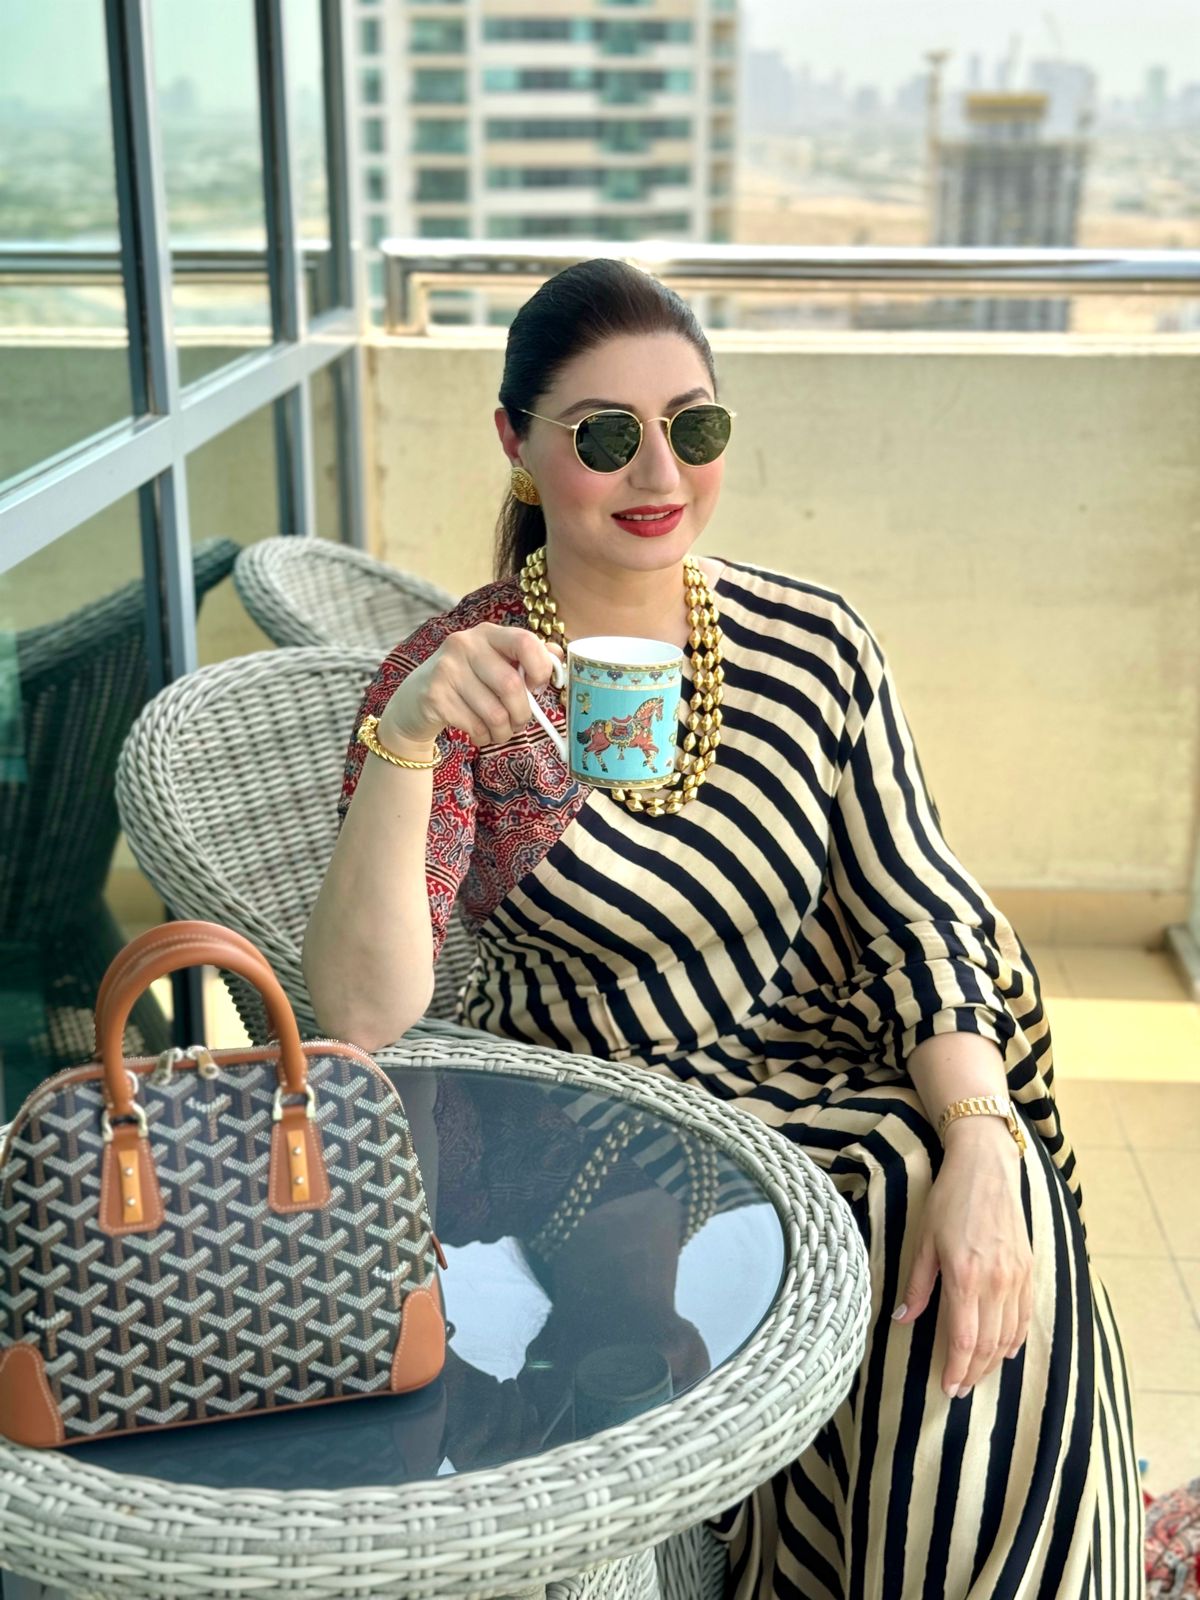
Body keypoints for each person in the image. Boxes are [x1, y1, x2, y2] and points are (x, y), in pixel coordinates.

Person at [303, 259, 1143, 1599]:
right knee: (895, 1192)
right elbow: (359, 1011)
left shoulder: (812, 640)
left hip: (824, 1078)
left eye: (693, 427)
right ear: (517, 444)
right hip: (608, 1138)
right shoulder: (461, 680)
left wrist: (984, 1136)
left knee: (978, 1191)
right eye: (603, 434)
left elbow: (921, 902)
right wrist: (407, 745)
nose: (658, 473)